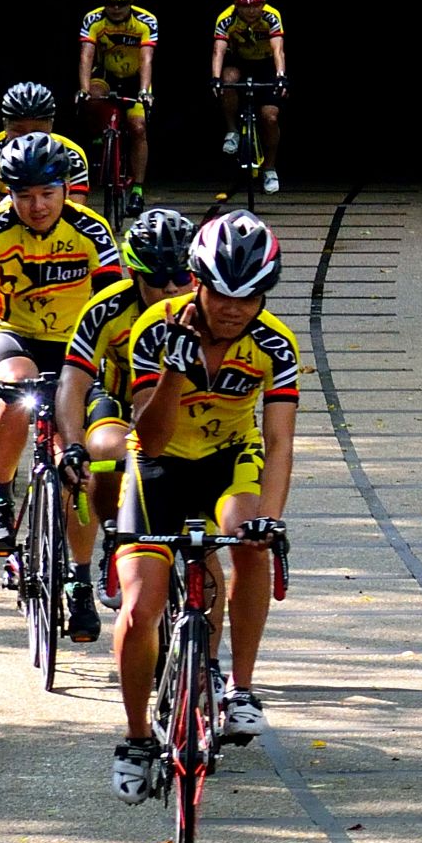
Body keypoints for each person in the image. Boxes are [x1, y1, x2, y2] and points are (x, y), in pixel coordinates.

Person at [108, 209, 298, 800]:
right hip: (159, 464)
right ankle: (139, 738)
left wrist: (270, 516)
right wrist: (174, 367)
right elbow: (153, 437)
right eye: (222, 294)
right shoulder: (156, 329)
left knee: (250, 540)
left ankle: (239, 689)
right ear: (197, 282)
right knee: (141, 606)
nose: (234, 309)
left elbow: (280, 441)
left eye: (250, 297)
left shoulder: (275, 345)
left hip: (230, 459)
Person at [0, 133, 123, 565]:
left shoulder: (91, 230)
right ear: (8, 194)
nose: (38, 206)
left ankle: (81, 577)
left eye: (48, 193)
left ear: (67, 188)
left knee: (77, 464)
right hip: (12, 331)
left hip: (74, 345)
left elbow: (114, 306)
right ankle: (1, 499)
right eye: (24, 196)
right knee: (16, 387)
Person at [49, 202, 196, 644]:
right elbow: (73, 383)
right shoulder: (106, 308)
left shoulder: (210, 310)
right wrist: (72, 444)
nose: (170, 289)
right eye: (156, 279)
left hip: (179, 405)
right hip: (113, 399)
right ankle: (92, 560)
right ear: (134, 275)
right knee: (106, 455)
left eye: (181, 278)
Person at [75, 0, 160, 207]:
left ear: (130, 2)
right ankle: (100, 136)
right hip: (105, 75)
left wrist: (144, 91)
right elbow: (86, 56)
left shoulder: (146, 21)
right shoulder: (92, 20)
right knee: (91, 97)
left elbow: (147, 59)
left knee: (138, 127)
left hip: (134, 77)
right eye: (110, 3)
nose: (115, 8)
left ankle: (138, 189)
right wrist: (82, 89)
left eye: (121, 3)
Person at [0, 81, 91, 226]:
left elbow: (75, 214)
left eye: (37, 132)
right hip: (1, 229)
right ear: (5, 125)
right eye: (18, 131)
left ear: (50, 125)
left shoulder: (72, 156)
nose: (27, 139)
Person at [210, 0, 288, 198]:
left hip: (265, 63)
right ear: (236, 4)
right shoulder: (226, 18)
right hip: (240, 61)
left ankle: (270, 168)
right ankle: (232, 130)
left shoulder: (272, 16)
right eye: (245, 6)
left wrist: (281, 75)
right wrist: (215, 78)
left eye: (256, 5)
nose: (251, 11)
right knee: (229, 80)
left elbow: (278, 49)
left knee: (270, 116)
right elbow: (218, 51)